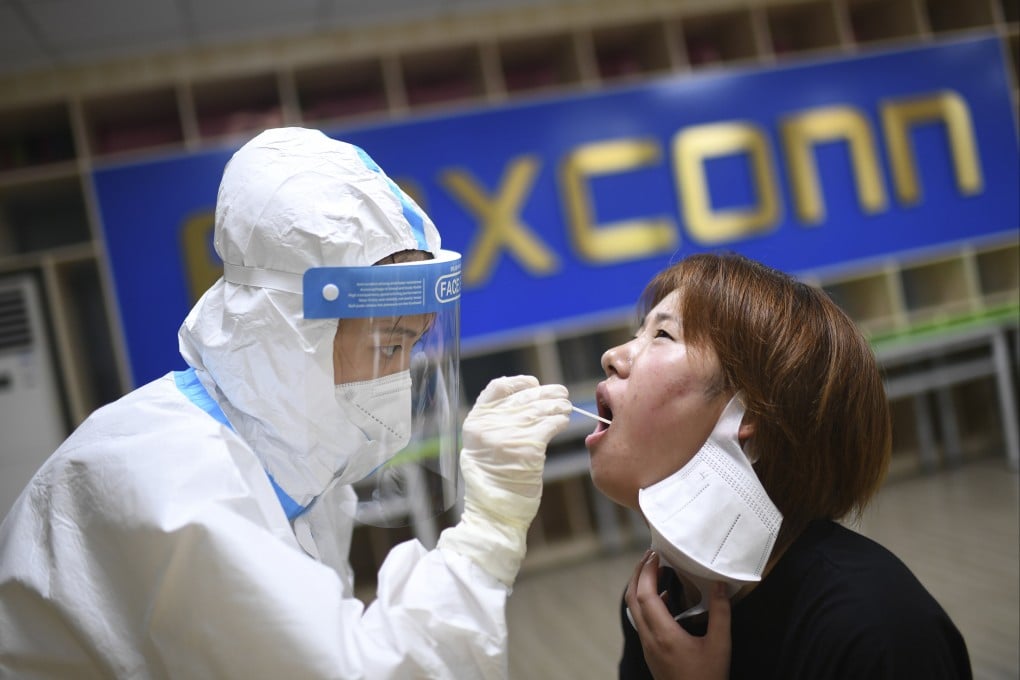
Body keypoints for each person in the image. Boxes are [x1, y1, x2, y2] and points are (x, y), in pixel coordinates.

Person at [0, 127, 572, 678]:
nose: (401, 375)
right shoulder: (168, 486)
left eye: (414, 346)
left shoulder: (295, 475)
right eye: (389, 346)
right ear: (291, 332)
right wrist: (488, 533)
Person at [582, 252, 971, 679]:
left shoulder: (878, 627)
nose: (613, 356)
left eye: (662, 335)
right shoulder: (653, 606)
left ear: (749, 417)